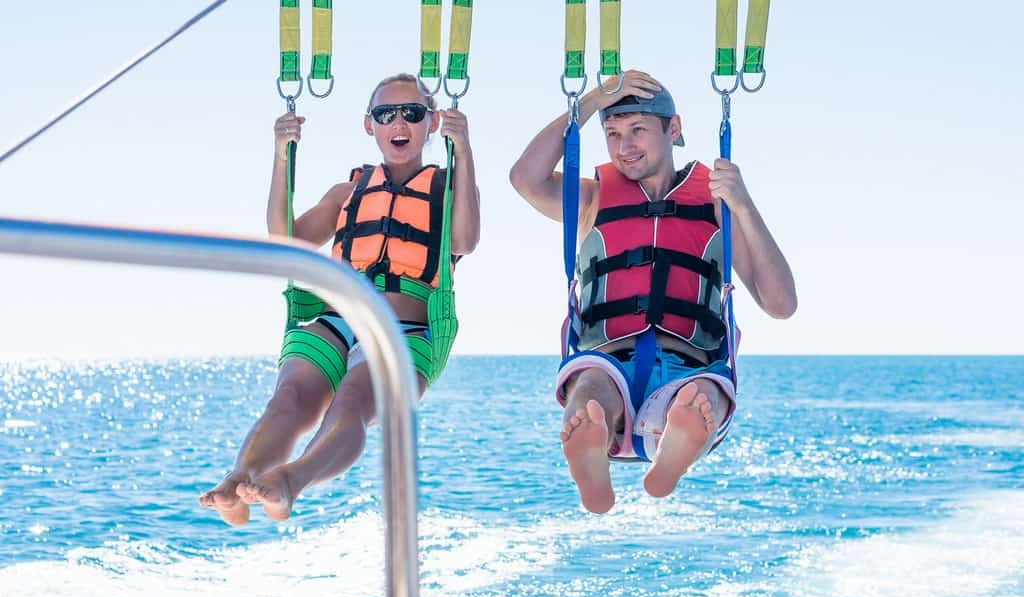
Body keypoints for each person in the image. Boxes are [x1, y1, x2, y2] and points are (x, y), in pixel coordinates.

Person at [199, 73, 480, 525]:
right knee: (289, 398)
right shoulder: (348, 191)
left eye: (412, 113)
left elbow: (464, 240)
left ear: (432, 122)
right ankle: (240, 479)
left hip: (402, 330)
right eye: (385, 114)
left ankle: (291, 480)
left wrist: (463, 150)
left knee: (351, 403)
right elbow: (285, 242)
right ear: (370, 125)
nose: (399, 122)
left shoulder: (448, 186)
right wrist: (281, 157)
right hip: (336, 319)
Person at [510, 70, 796, 514]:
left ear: (673, 128)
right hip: (609, 362)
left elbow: (781, 304)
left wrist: (742, 204)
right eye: (612, 134)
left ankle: (676, 448)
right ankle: (591, 450)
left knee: (701, 398)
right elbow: (524, 179)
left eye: (638, 130)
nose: (624, 146)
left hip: (691, 367)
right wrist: (591, 100)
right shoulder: (593, 199)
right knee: (591, 391)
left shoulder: (715, 205)